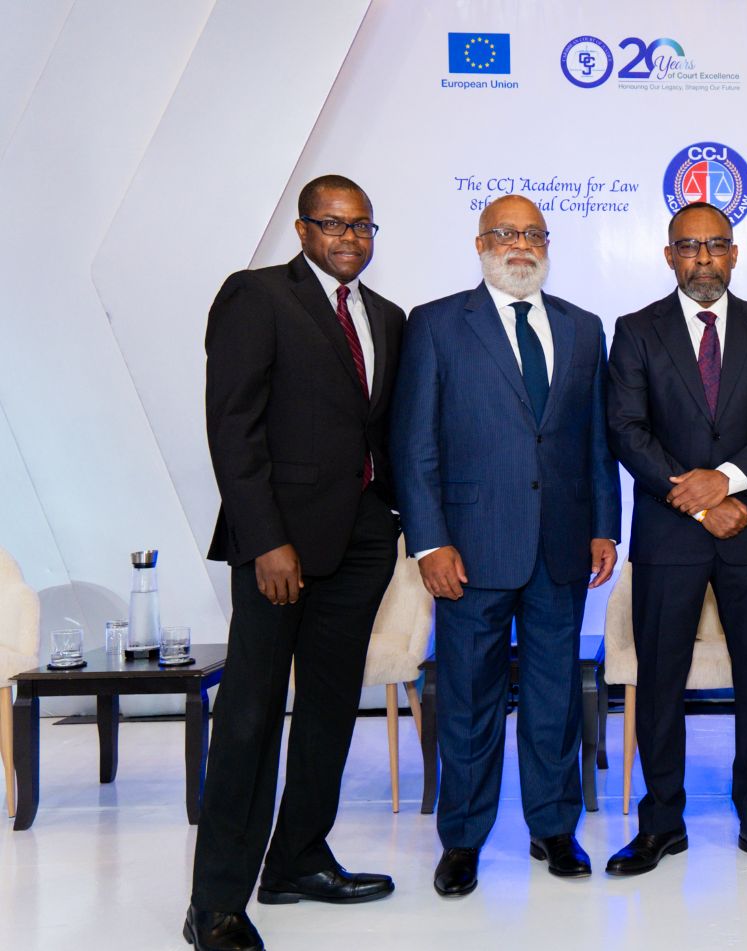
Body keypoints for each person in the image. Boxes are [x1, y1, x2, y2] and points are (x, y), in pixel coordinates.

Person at [191, 175, 404, 951]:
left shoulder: (387, 316)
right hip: (278, 549)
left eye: (362, 226)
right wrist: (265, 539)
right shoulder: (257, 297)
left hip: (362, 543)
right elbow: (233, 426)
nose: (350, 238)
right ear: (303, 229)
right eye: (333, 224)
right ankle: (216, 902)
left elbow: (378, 430)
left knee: (328, 711)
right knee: (249, 717)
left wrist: (395, 521)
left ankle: (298, 858)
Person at [390, 194, 620, 897]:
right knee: (467, 700)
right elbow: (414, 443)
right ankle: (462, 839)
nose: (520, 245)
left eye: (533, 234)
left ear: (546, 244)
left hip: (561, 547)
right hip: (469, 549)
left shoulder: (583, 327)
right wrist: (429, 542)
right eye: (504, 234)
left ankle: (554, 828)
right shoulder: (436, 324)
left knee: (555, 697)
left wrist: (604, 525)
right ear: (480, 244)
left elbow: (596, 440)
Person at [605, 201, 747, 876]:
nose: (703, 258)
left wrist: (726, 482)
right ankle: (661, 823)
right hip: (670, 535)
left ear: (734, 253)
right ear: (669, 255)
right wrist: (698, 504)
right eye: (689, 246)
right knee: (660, 682)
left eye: (715, 245)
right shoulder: (635, 330)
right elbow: (626, 429)